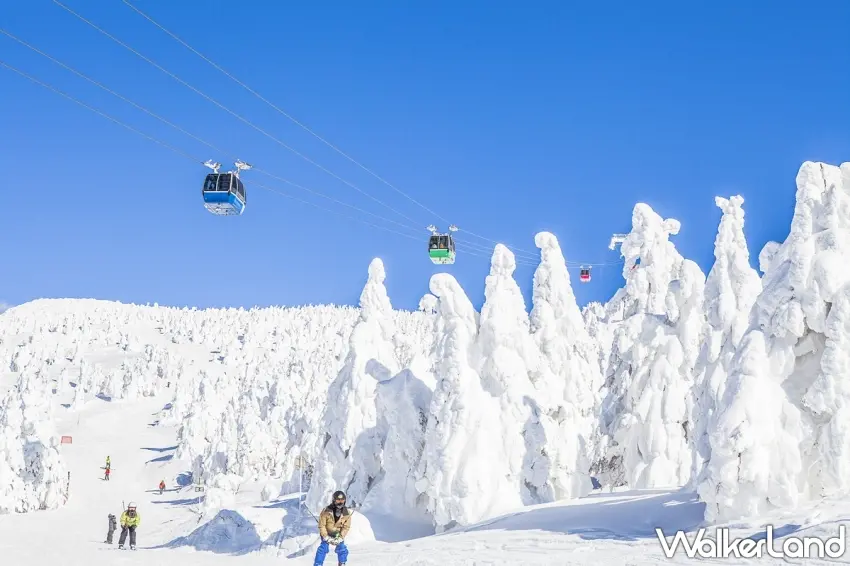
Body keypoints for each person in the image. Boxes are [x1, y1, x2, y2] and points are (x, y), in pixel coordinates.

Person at [313, 490, 351, 566]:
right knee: (323, 548)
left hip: (337, 534)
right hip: (327, 533)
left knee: (342, 548)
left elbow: (346, 527)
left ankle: (342, 563)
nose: (340, 502)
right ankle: (318, 564)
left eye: (342, 500)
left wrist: (341, 537)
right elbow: (322, 525)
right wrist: (325, 536)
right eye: (338, 500)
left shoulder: (346, 512)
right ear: (334, 500)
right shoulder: (326, 511)